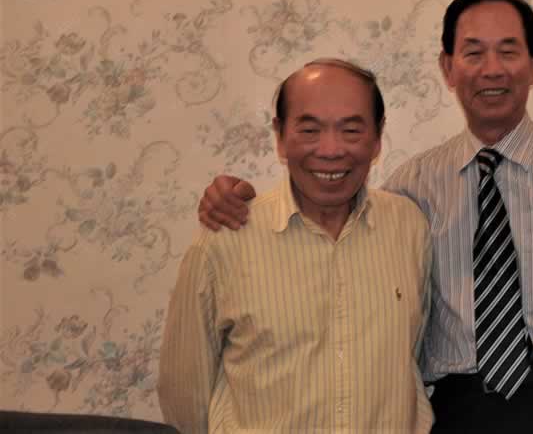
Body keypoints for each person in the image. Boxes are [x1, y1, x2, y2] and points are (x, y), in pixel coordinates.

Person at [197, 0, 533, 434]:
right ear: (447, 68)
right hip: (459, 408)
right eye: (473, 53)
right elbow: (330, 214)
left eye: (508, 51)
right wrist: (239, 197)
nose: (491, 69)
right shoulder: (412, 188)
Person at [158, 59, 433, 433]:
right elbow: (185, 396)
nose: (331, 149)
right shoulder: (226, 237)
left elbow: (414, 356)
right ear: (280, 135)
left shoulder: (409, 227)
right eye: (309, 130)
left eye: (351, 130)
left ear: (377, 137)